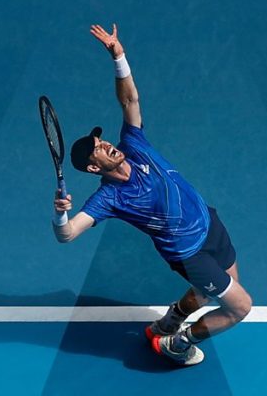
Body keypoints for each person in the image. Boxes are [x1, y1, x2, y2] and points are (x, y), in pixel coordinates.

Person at [51, 23, 252, 366]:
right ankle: (177, 342)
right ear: (93, 168)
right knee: (240, 307)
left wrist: (119, 55)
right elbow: (68, 235)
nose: (107, 144)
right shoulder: (108, 199)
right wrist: (60, 213)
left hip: (209, 222)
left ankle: (168, 321)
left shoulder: (134, 144)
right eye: (99, 149)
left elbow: (129, 98)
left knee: (221, 286)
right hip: (190, 254)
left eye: (102, 140)